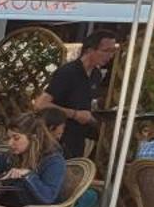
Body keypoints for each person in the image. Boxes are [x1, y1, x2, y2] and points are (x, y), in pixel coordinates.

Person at [35, 29, 120, 159]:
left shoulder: (96, 75)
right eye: (106, 51)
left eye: (112, 51)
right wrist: (75, 114)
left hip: (78, 137)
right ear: (90, 50)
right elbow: (40, 104)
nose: (110, 56)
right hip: (57, 137)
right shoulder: (68, 72)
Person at [0, 113, 69, 207]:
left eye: (16, 138)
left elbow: (48, 197)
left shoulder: (54, 161)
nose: (10, 143)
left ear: (34, 138)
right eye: (9, 138)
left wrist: (28, 175)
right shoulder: (13, 155)